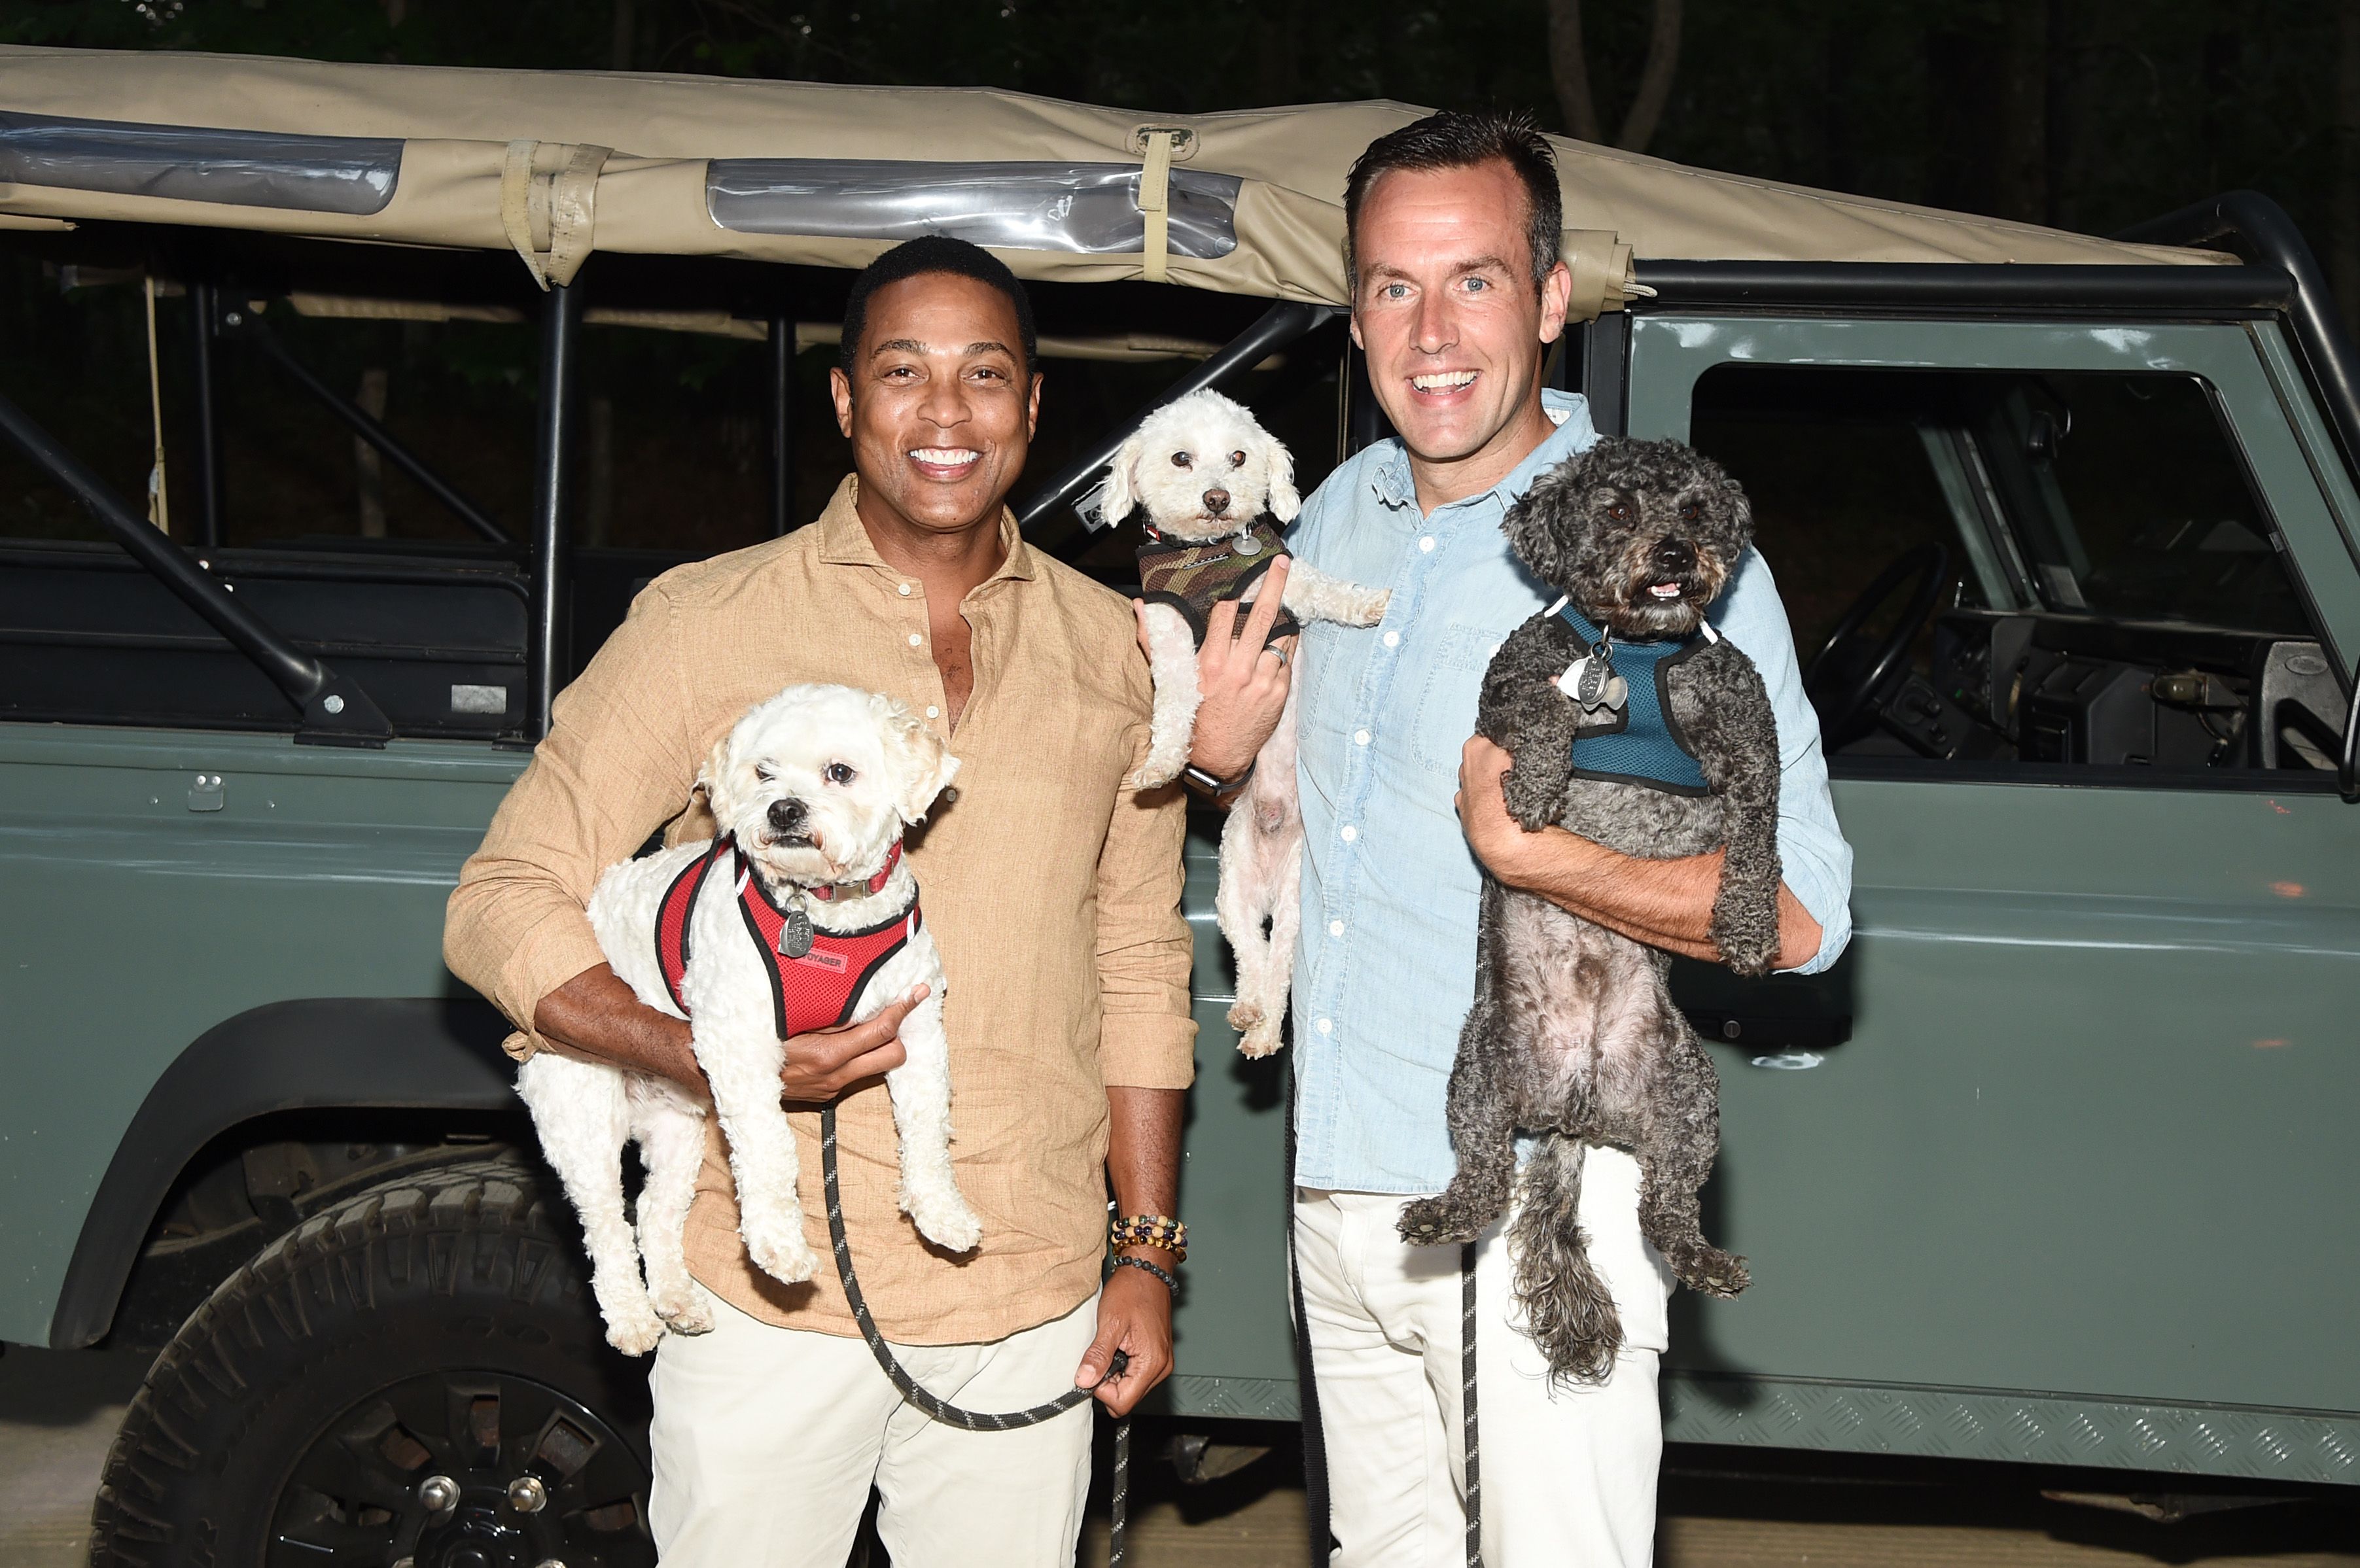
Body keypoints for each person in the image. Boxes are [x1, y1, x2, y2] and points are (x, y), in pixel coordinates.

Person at [444, 236, 1193, 1568]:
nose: (945, 413)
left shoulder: (1115, 650)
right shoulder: (704, 620)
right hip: (756, 1291)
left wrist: (1144, 1249)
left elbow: (1137, 965)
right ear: (847, 401)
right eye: (903, 372)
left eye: (984, 375)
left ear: (1032, 405)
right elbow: (505, 898)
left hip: (1025, 1285)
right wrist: (697, 1051)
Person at [1176, 111, 1855, 1566]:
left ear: (1551, 299)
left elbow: (1803, 915)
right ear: (1351, 308)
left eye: (1474, 280)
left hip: (1547, 1179)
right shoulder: (1336, 516)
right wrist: (1220, 767)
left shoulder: (1666, 550)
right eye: (1390, 286)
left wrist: (1546, 858)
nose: (1430, 331)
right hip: (1337, 1181)